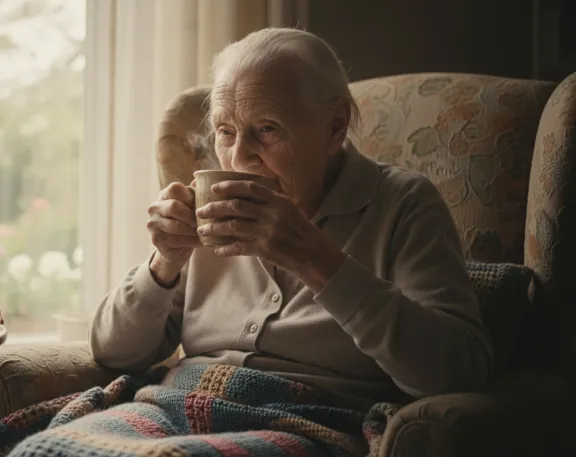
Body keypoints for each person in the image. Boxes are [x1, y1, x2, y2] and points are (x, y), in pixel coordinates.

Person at [89, 27, 493, 407]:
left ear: (335, 127)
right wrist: (164, 264)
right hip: (177, 407)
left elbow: (457, 372)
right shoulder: (206, 211)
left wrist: (316, 261)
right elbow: (113, 351)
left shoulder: (403, 203)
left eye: (266, 129)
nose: (240, 157)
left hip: (309, 420)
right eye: (225, 132)